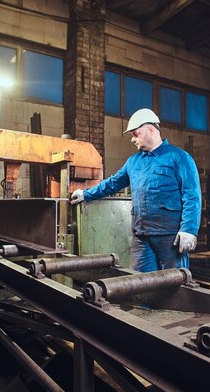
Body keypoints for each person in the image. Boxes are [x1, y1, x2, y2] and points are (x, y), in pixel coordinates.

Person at [71, 108, 201, 272]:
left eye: (135, 134)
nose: (132, 139)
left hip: (170, 236)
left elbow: (192, 196)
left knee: (175, 286)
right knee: (140, 285)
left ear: (151, 130)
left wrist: (189, 230)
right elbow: (113, 183)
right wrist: (86, 194)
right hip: (142, 236)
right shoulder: (133, 162)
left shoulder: (179, 158)